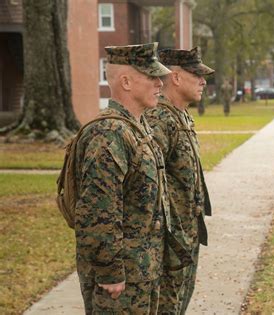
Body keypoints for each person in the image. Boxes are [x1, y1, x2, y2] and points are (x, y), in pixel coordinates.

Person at [74, 43, 170, 314]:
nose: (160, 83)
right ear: (125, 82)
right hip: (120, 282)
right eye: (151, 77)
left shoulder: (137, 128)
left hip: (142, 272)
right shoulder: (109, 133)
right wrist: (110, 272)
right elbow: (98, 211)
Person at [144, 46, 213, 314]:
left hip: (185, 236)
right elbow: (146, 184)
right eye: (196, 74)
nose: (203, 80)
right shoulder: (160, 119)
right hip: (168, 243)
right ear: (175, 76)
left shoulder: (180, 115)